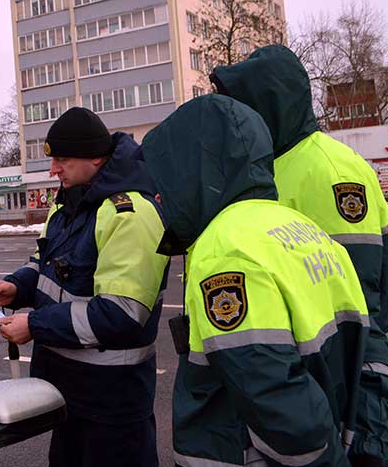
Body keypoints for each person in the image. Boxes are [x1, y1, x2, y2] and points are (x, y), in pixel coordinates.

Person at [141, 94, 374, 466]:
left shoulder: (224, 246)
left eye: (167, 181)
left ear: (196, 172)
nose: (157, 195)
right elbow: (366, 349)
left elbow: (275, 398)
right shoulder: (300, 226)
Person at [211, 44, 388, 465]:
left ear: (269, 103)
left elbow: (357, 307)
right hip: (304, 385)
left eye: (240, 104)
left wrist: (363, 426)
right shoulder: (273, 164)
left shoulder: (330, 171)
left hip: (346, 390)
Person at [0, 107, 169, 467]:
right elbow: (46, 266)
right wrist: (15, 288)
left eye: (62, 159)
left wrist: (34, 325)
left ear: (95, 157)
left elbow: (121, 315)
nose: (53, 170)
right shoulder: (68, 205)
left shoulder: (130, 215)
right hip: (66, 395)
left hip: (112, 404)